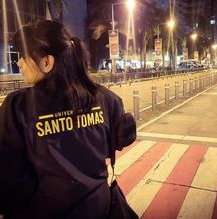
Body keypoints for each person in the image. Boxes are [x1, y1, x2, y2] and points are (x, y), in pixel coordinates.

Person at [0, 20, 136, 219]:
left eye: (23, 56)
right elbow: (122, 139)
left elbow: (8, 180)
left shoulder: (18, 107)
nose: (18, 62)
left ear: (47, 62)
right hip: (99, 207)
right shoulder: (106, 98)